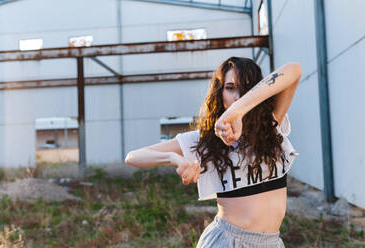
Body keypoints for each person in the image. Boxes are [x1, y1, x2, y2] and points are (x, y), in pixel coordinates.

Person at [125, 57, 302, 247]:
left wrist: (236, 110)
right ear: (219, 92)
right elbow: (133, 157)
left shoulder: (271, 124)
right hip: (229, 241)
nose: (238, 95)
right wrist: (173, 158)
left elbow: (294, 69)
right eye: (230, 88)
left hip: (272, 242)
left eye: (247, 88)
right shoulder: (207, 139)